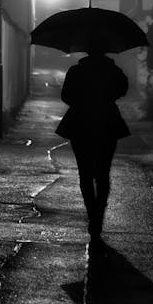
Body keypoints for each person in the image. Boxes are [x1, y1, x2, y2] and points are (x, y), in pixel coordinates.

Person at [56, 43, 130, 242]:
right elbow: (123, 89)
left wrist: (83, 100)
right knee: (103, 173)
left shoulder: (76, 71)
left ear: (86, 51)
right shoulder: (114, 70)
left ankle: (92, 214)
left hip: (80, 123)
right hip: (108, 122)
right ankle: (99, 215)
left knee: (85, 173)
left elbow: (66, 96)